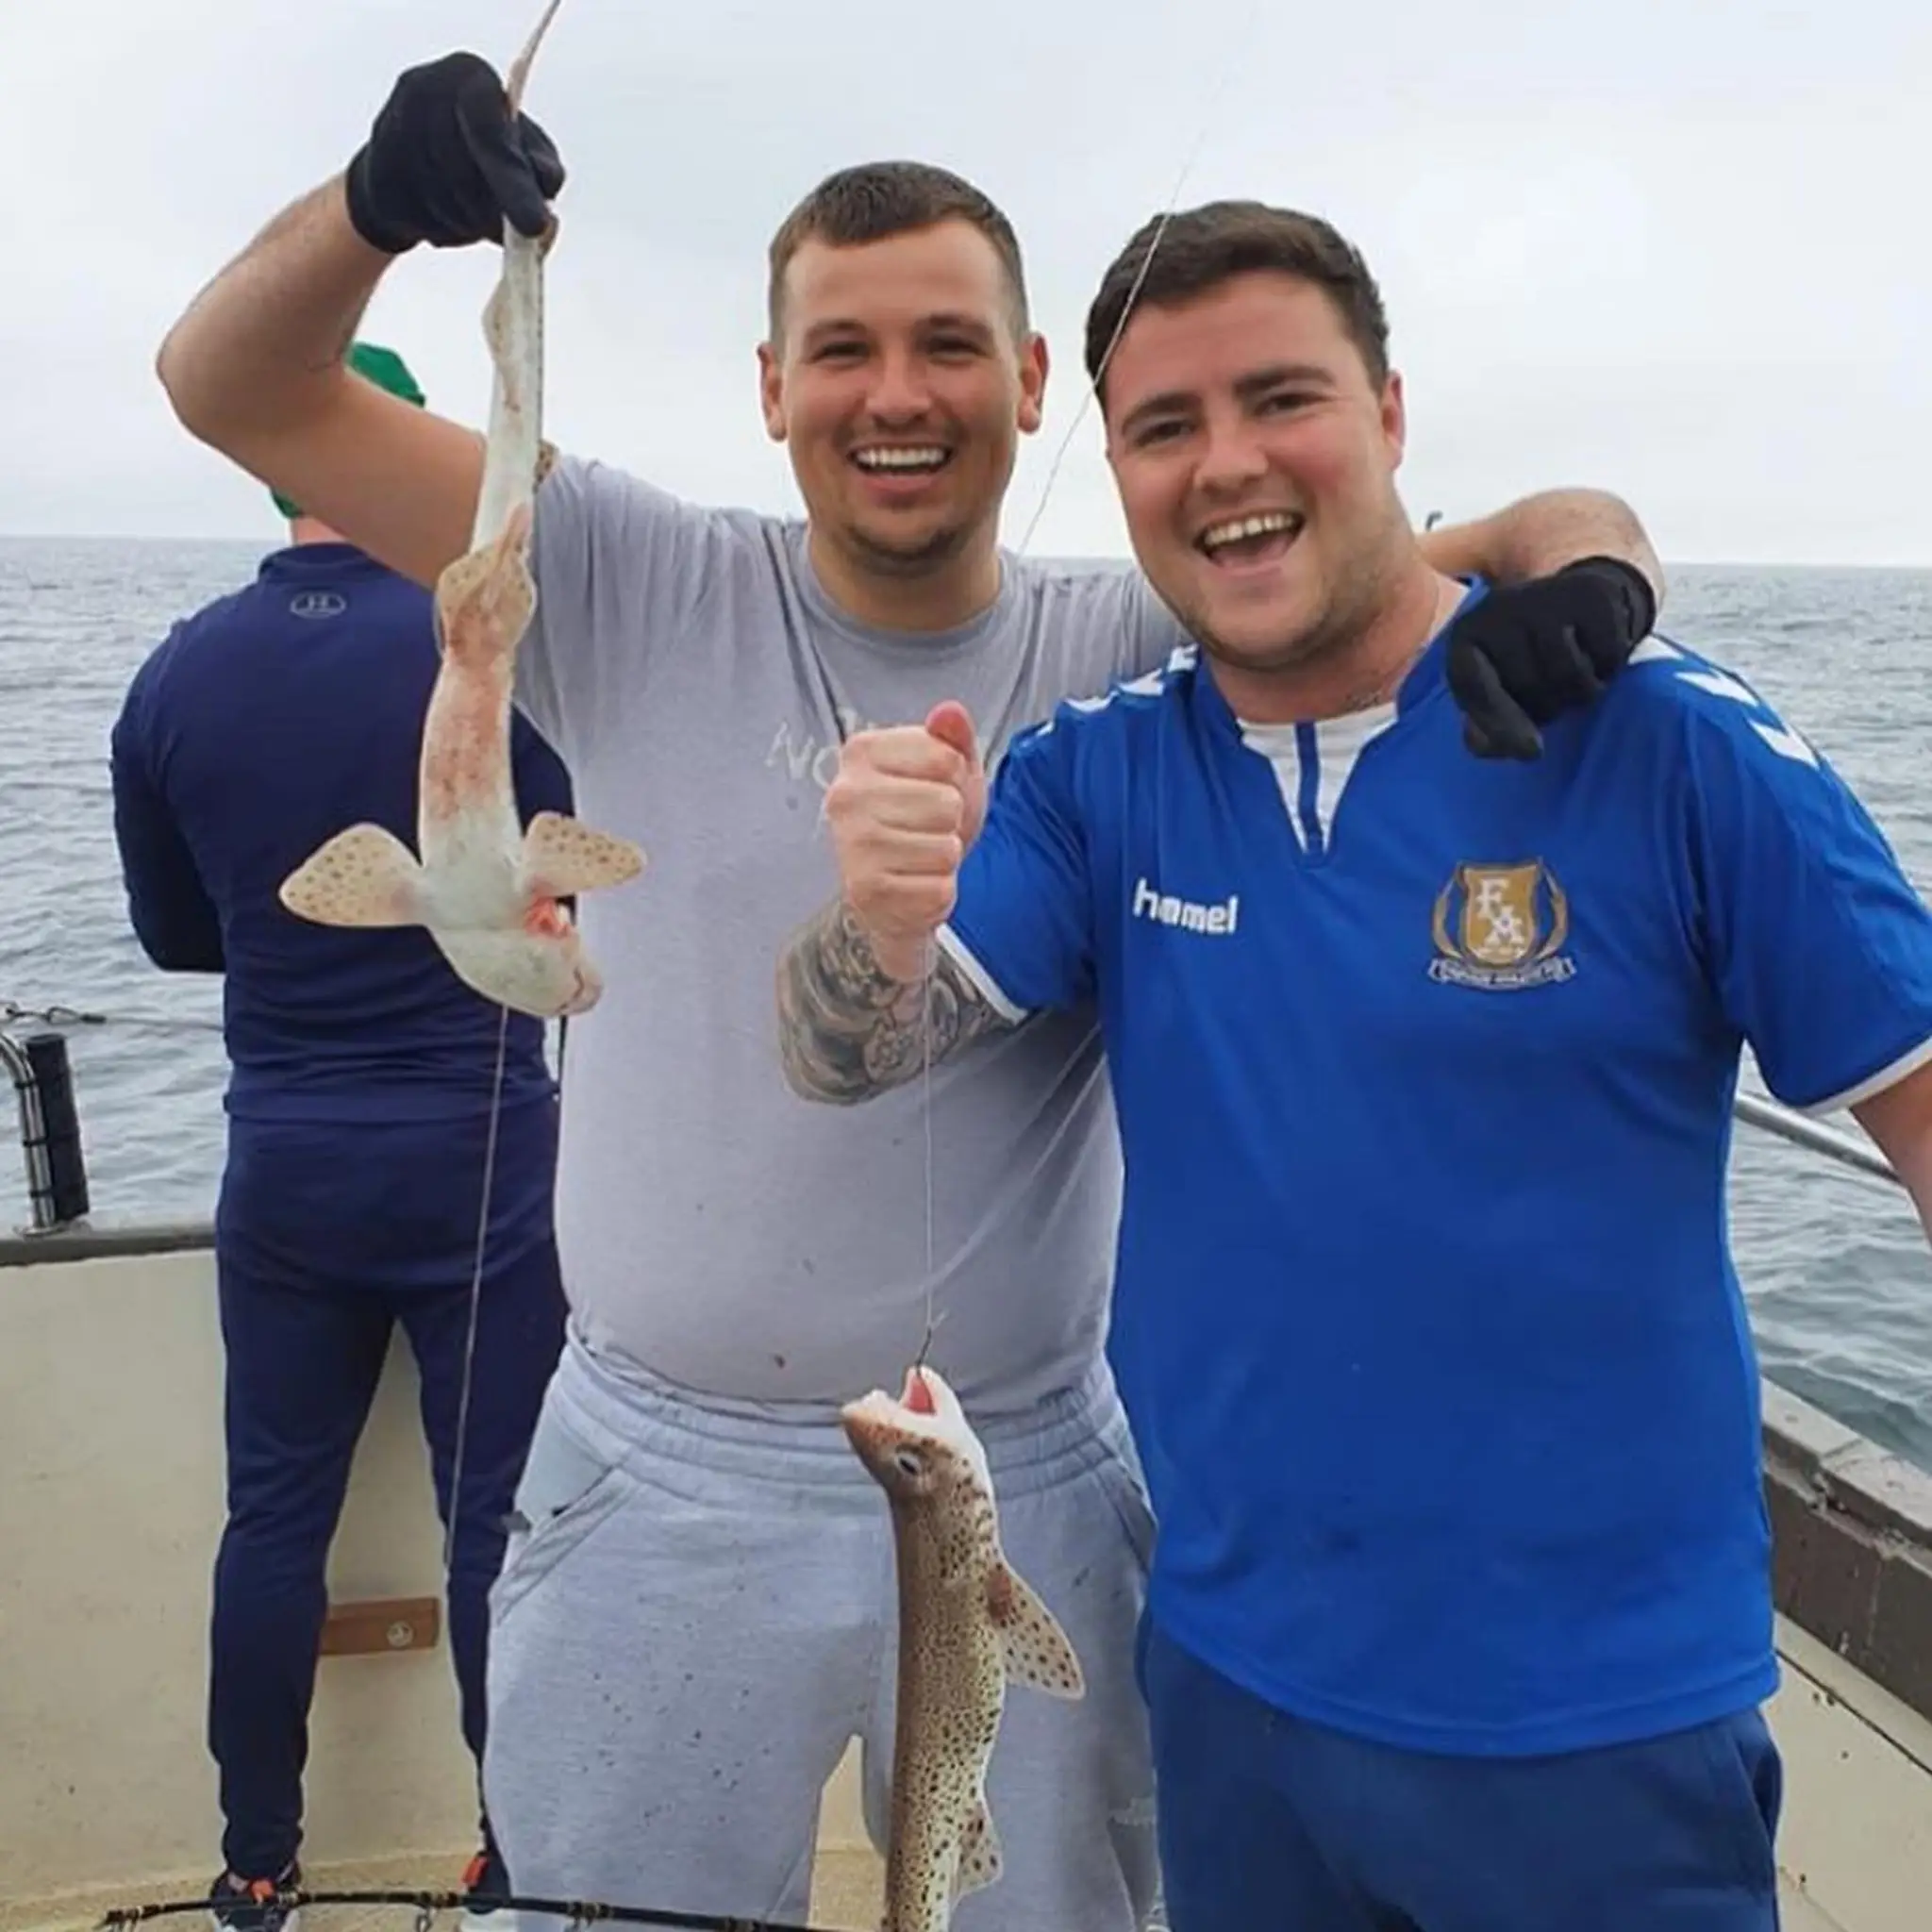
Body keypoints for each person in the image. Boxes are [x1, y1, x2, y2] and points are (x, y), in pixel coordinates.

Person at [151, 49, 1666, 1929]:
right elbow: (230, 387)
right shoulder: (623, 571)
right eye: (843, 348)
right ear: (770, 387)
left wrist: (1591, 567)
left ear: (1033, 386)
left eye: (952, 345)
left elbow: (1513, 536)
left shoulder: (1138, 646)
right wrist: (380, 202)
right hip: (660, 1467)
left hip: (1027, 1455)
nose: (898, 394)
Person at [773, 196, 1932, 1932]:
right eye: (1165, 426)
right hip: (1232, 1696)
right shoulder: (1101, 774)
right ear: (1109, 456)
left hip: (1595, 1728)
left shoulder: (1670, 739)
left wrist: (1588, 542)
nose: (1226, 463)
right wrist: (867, 914)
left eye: (1281, 398)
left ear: (1389, 415)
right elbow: (857, 1055)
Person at [109, 340, 571, 1932]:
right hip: (487, 1161)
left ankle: (254, 1865)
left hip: (286, 1164)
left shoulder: (173, 675)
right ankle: (514, 1854)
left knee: (274, 1514)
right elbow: (558, 871)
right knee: (493, 1513)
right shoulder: (492, 660)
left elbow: (177, 936)